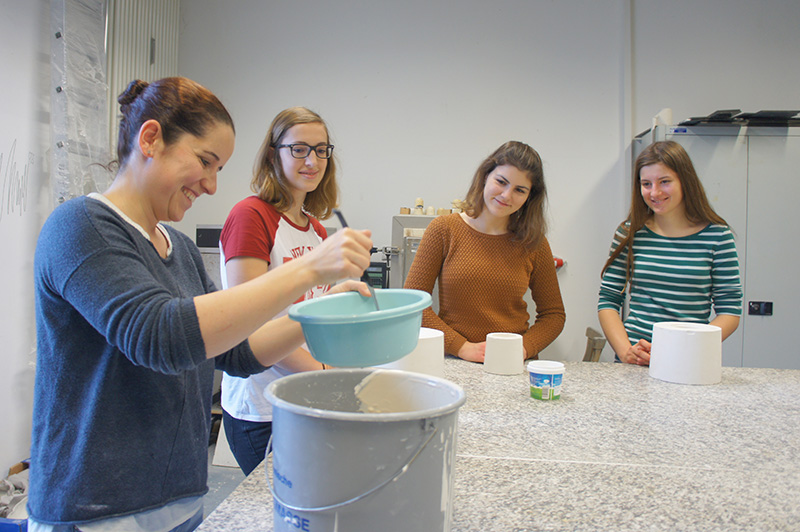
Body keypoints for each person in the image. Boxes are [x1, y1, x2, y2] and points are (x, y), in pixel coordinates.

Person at [28, 78, 373, 531]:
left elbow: (234, 351)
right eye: (205, 162)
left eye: (219, 169)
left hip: (180, 499)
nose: (211, 186)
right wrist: (309, 271)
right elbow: (159, 337)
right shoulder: (80, 227)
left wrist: (321, 307)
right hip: (96, 509)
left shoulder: (181, 248)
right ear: (150, 139)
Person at [218, 107, 338, 476]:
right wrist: (323, 375)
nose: (312, 160)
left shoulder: (317, 231)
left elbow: (313, 313)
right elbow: (249, 324)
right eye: (299, 149)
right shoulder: (252, 216)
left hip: (304, 396)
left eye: (321, 150)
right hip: (263, 407)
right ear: (274, 154)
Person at [404, 141, 565, 362]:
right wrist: (461, 347)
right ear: (485, 176)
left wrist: (524, 348)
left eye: (520, 190)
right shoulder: (443, 229)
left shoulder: (534, 243)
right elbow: (413, 305)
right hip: (455, 360)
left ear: (530, 197)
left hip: (512, 363)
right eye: (501, 181)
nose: (507, 195)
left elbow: (553, 315)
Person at [597, 140, 743, 366]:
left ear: (685, 181)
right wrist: (625, 351)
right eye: (646, 184)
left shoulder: (718, 236)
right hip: (634, 361)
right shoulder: (629, 232)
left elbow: (730, 312)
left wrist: (685, 347)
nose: (654, 192)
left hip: (687, 361)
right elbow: (608, 301)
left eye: (664, 182)